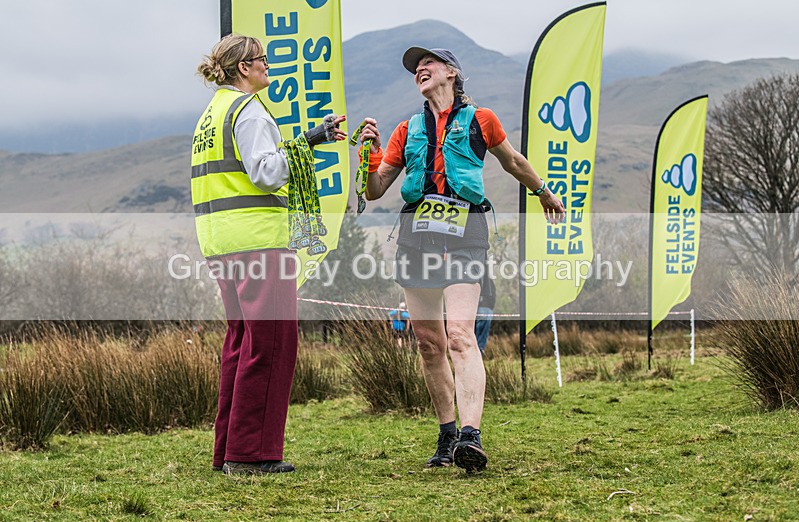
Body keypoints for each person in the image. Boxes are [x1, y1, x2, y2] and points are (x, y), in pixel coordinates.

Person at [358, 47, 565, 472]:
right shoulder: (406, 129)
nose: (420, 69)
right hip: (416, 238)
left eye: (428, 63)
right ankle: (447, 434)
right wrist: (370, 154)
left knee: (459, 337)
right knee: (428, 344)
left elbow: (513, 161)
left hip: (465, 234)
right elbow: (375, 190)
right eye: (416, 67)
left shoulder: (481, 120)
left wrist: (543, 192)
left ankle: (471, 436)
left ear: (451, 72)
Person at [193, 34, 346, 475]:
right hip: (258, 241)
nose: (267, 66)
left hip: (220, 242)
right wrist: (308, 142)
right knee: (272, 344)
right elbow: (265, 173)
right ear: (243, 67)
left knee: (241, 344)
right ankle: (251, 455)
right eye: (262, 59)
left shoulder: (211, 115)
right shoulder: (249, 110)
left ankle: (229, 450)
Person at [474, 274, 496, 358]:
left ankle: (477, 351)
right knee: (482, 332)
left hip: (483, 308)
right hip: (484, 308)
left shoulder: (486, 280)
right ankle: (478, 350)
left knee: (478, 331)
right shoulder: (485, 280)